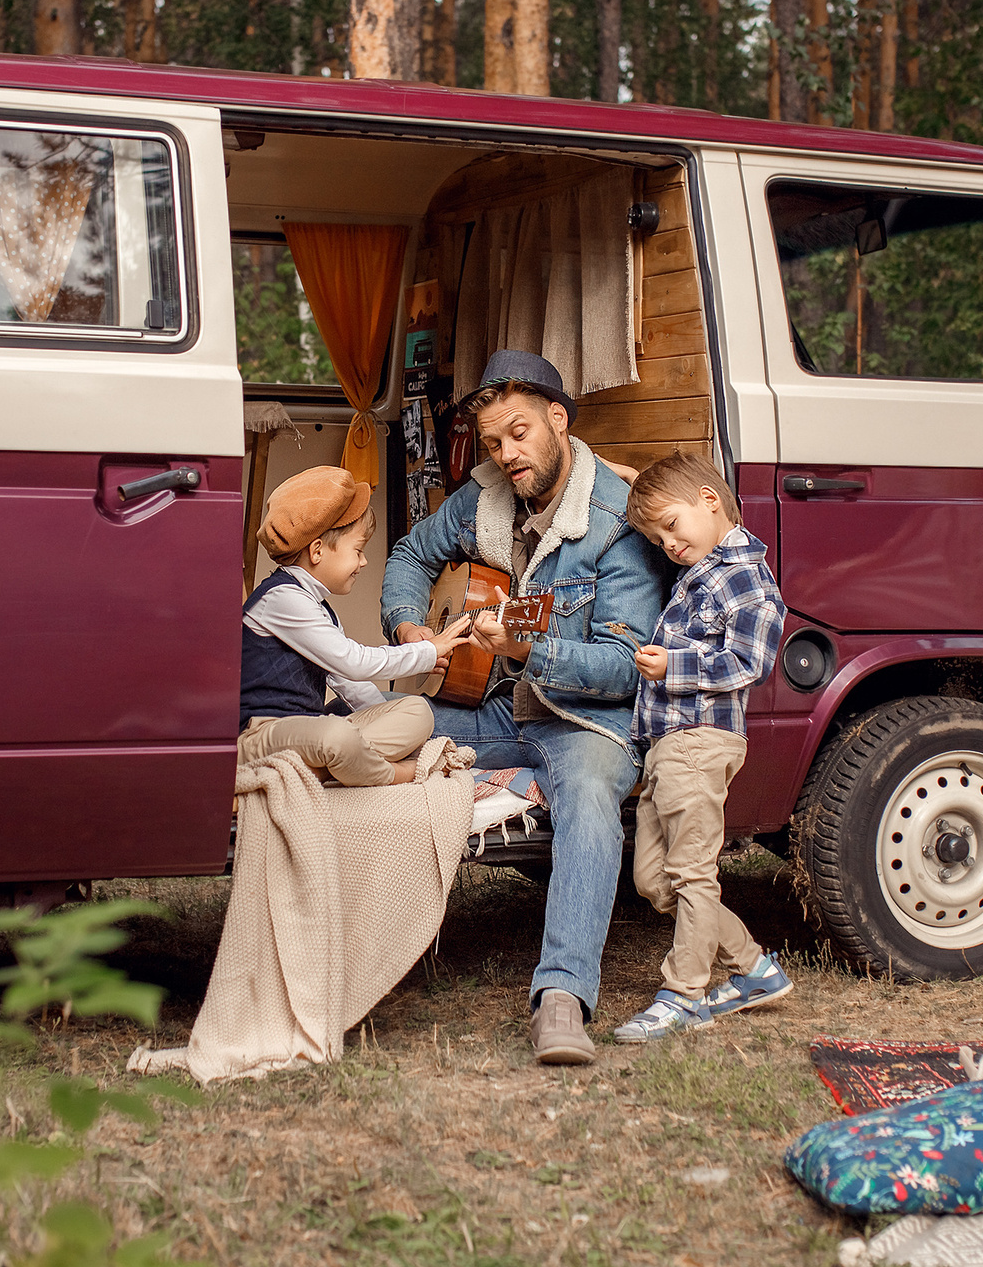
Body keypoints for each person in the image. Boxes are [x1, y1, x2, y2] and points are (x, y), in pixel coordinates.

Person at [381, 349, 677, 1065]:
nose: (506, 454)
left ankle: (562, 999)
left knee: (587, 799)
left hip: (587, 721)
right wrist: (408, 624)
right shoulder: (483, 497)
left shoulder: (614, 520)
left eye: (519, 433)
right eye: (492, 443)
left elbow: (621, 669)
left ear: (557, 417)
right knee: (378, 736)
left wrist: (526, 649)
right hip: (501, 710)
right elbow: (410, 553)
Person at [607, 451, 794, 1042]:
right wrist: (642, 485)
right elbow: (679, 500)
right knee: (655, 879)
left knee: (691, 871)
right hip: (668, 746)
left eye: (671, 527)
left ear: (710, 503)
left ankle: (684, 992)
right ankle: (754, 969)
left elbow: (751, 660)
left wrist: (673, 666)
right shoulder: (704, 561)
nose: (668, 543)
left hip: (700, 741)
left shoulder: (742, 574)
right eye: (657, 536)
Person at [240, 466, 473, 786]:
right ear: (318, 551)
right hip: (262, 734)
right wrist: (426, 652)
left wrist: (392, 721)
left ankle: (334, 766)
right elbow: (354, 661)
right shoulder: (281, 599)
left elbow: (349, 682)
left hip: (308, 734)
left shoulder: (317, 608)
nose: (363, 562)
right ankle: (391, 773)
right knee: (336, 735)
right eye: (358, 551)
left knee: (419, 711)